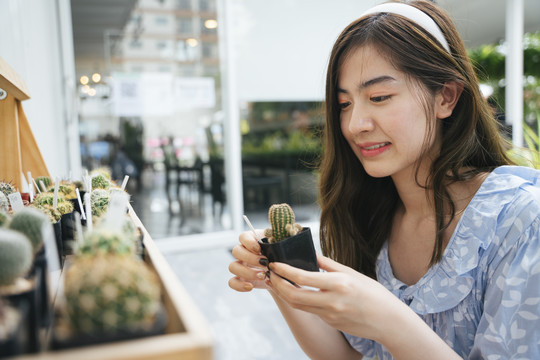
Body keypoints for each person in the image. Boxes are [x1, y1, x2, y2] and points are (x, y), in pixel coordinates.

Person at [228, 1, 540, 359]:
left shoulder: (522, 220)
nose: (354, 124)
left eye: (379, 97)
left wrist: (387, 319)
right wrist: (276, 274)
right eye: (344, 104)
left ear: (447, 97)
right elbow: (351, 356)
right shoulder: (368, 214)